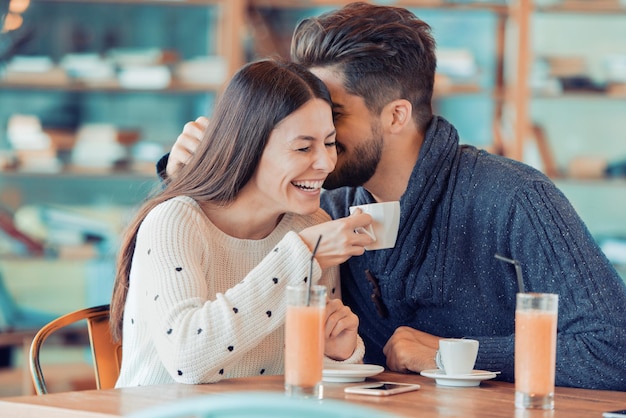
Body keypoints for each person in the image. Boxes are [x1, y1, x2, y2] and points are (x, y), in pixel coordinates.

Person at [158, 2, 626, 391]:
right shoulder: (325, 207)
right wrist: (193, 175)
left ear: (396, 116)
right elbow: (231, 288)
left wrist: (452, 354)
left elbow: (613, 351)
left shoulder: (517, 199)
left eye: (333, 114)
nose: (313, 131)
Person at [111, 59, 376, 387]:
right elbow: (187, 360)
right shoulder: (175, 222)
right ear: (247, 147)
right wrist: (303, 256)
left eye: (329, 143)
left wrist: (337, 353)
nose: (325, 162)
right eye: (303, 147)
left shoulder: (310, 226)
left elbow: (312, 383)